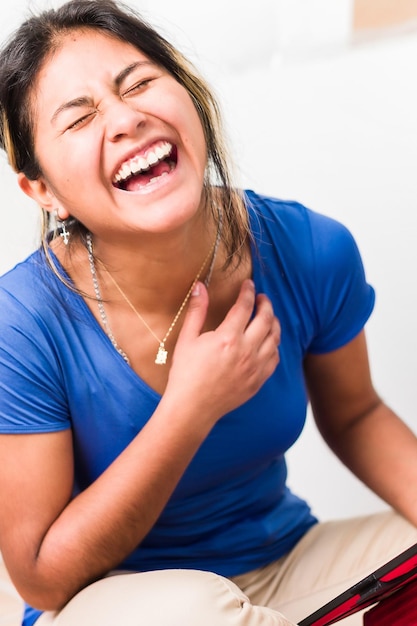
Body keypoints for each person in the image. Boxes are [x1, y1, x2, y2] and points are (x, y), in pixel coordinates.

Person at [0, 1, 416, 625]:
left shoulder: (309, 247)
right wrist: (188, 410)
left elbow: (356, 415)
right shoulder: (23, 324)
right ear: (43, 189)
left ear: (188, 95)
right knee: (196, 610)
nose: (125, 119)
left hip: (286, 565)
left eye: (139, 83)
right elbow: (42, 576)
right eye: (80, 118)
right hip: (117, 601)